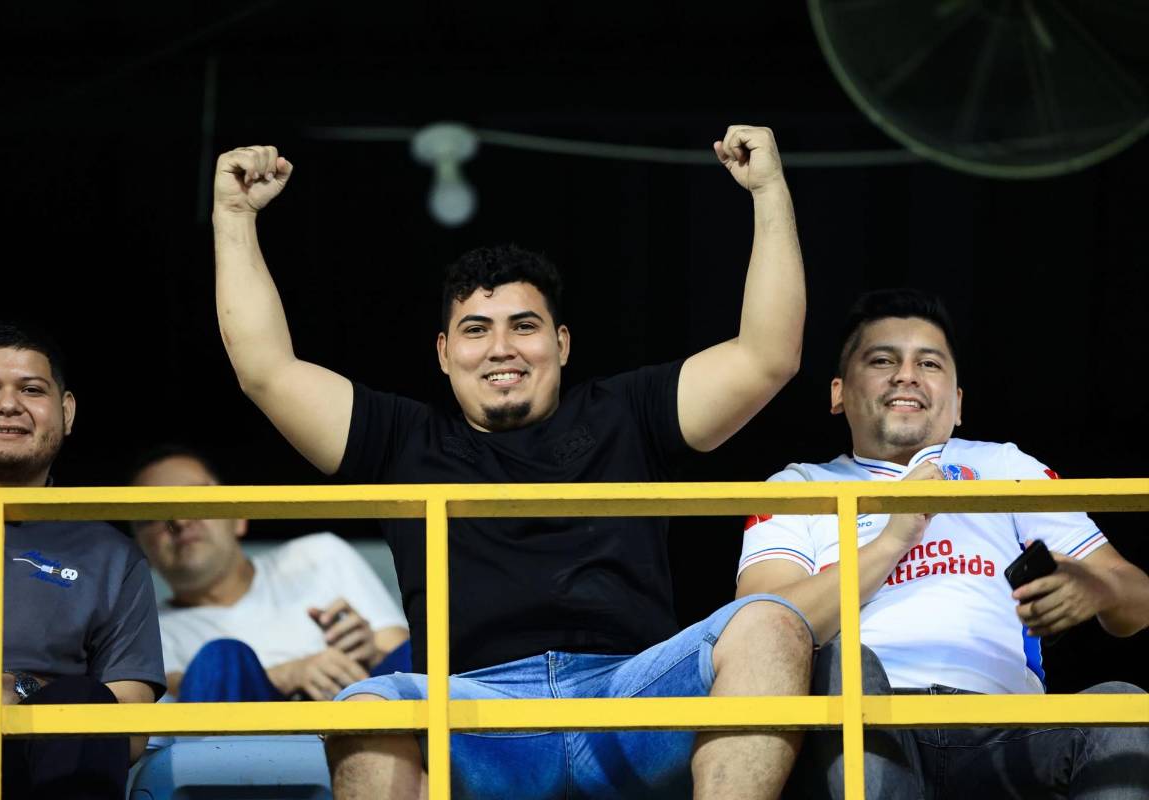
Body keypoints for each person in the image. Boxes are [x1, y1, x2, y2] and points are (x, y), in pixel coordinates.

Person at [211, 125, 810, 799]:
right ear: (443, 353)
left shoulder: (627, 409)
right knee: (367, 706)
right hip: (473, 718)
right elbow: (265, 370)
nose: (501, 348)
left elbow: (769, 356)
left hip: (629, 701)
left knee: (769, 621)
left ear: (561, 342)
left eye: (523, 326)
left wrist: (767, 190)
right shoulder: (400, 438)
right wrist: (233, 217)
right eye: (476, 329)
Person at [736, 288, 1149, 799]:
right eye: (883, 359)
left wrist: (1097, 588)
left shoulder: (1005, 467)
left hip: (1006, 731)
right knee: (847, 663)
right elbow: (757, 628)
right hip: (868, 728)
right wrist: (893, 538)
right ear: (838, 393)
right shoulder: (799, 485)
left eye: (928, 363)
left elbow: (1137, 600)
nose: (906, 374)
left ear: (957, 404)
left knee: (1121, 708)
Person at [0, 322, 165, 800]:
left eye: (31, 389)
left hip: (38, 766)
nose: (8, 405)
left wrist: (21, 688)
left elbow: (129, 723)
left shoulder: (113, 556)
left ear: (66, 412)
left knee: (83, 700)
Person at [128, 445, 409, 701]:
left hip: (359, 726)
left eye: (196, 499)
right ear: (139, 547)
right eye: (156, 512)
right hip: (241, 751)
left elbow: (405, 660)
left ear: (239, 517)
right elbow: (179, 696)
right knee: (221, 658)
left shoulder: (318, 555)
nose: (180, 520)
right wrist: (289, 675)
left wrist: (370, 653)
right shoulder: (145, 631)